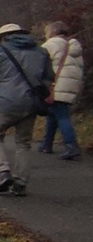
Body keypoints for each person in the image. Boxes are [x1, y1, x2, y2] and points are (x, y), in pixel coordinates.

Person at [0, 23, 54, 195]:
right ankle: (20, 183)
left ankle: (3, 172)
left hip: (4, 102)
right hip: (30, 104)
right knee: (23, 143)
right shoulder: (41, 52)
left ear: (3, 37)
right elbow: (48, 78)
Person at [39, 21, 84, 160]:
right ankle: (46, 144)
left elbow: (40, 64)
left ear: (52, 32)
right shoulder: (73, 46)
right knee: (54, 114)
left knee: (62, 116)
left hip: (56, 85)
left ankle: (72, 147)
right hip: (70, 85)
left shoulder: (51, 45)